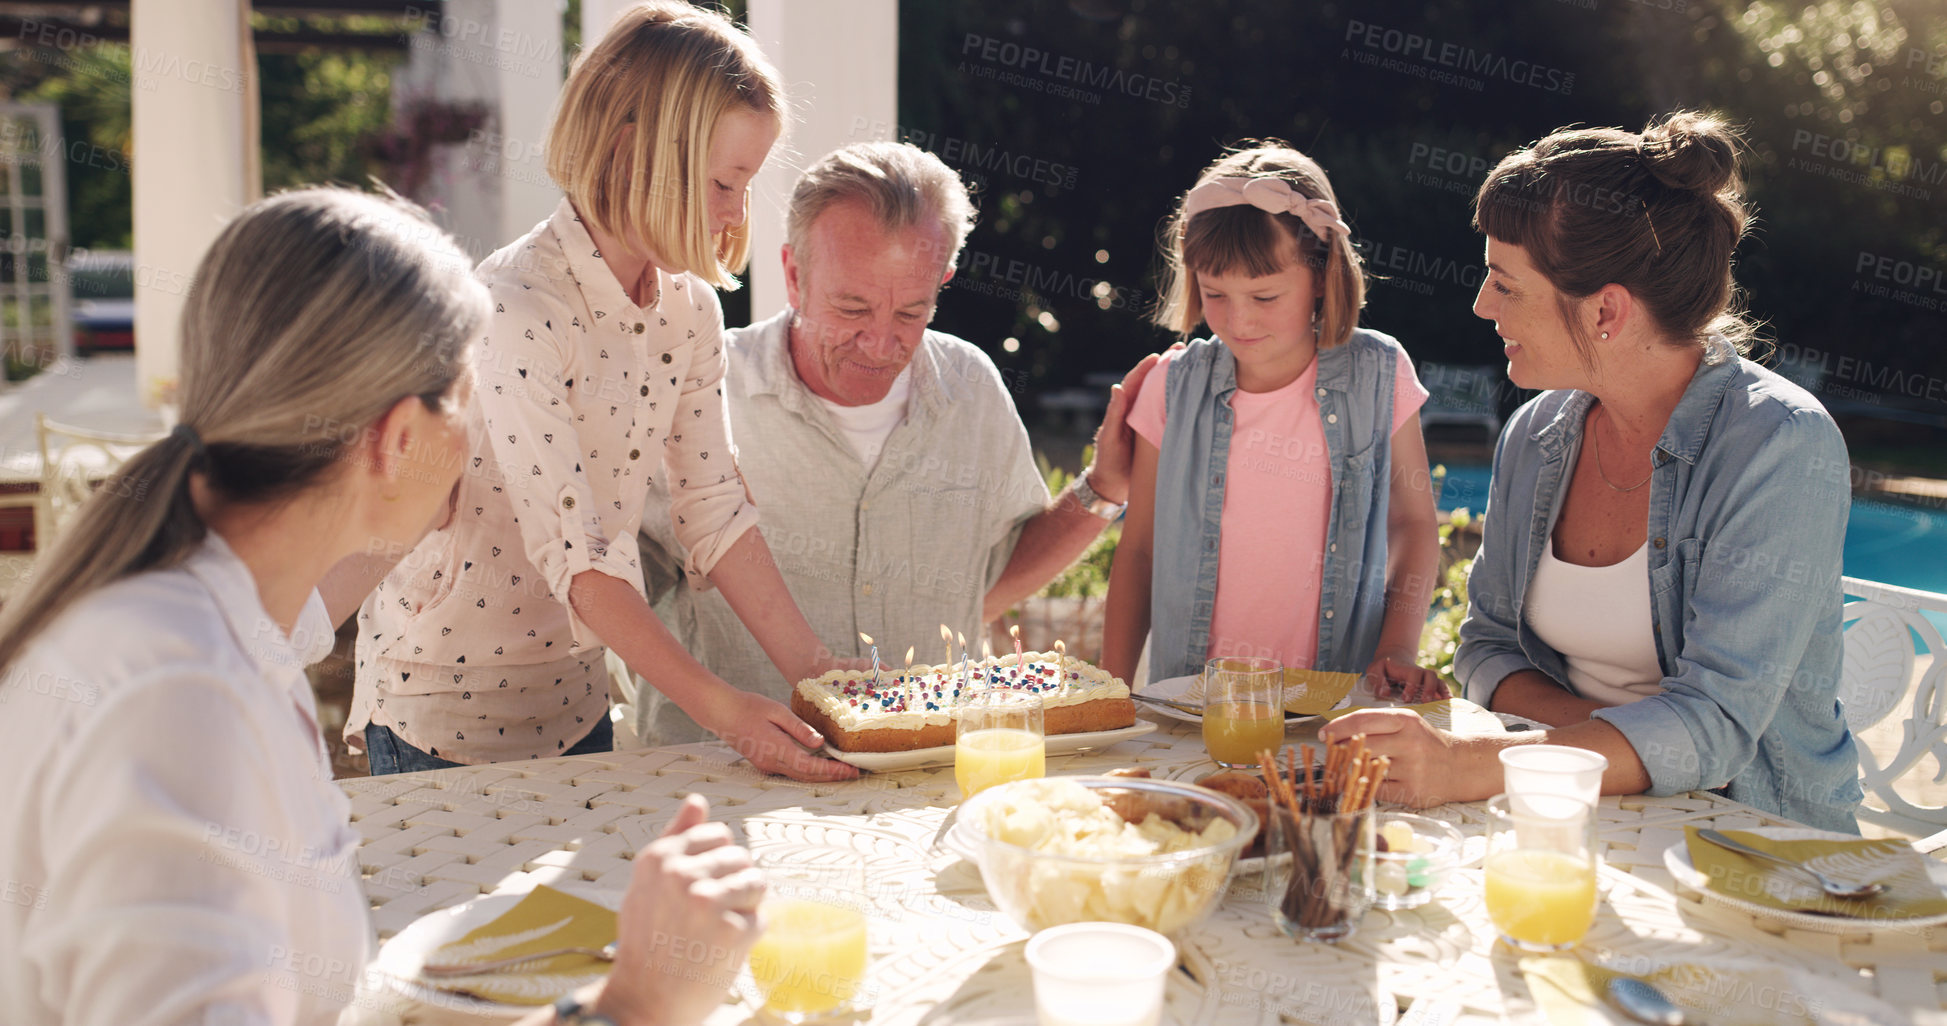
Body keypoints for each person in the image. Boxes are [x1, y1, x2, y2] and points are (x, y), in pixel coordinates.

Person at [0, 188, 765, 1026]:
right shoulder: (181, 700)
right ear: (401, 438)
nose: (480, 444)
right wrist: (630, 1005)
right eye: (467, 408)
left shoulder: (221, 619)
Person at [347, 1, 857, 780]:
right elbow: (579, 556)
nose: (734, 214)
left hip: (576, 702)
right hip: (439, 715)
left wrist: (826, 684)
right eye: (724, 183)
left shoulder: (689, 309)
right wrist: (725, 713)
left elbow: (713, 506)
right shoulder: (516, 307)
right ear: (633, 150)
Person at [1320, 112, 1863, 833]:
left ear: (1606, 310)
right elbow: (1485, 645)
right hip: (1571, 810)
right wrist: (1608, 739)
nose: (1481, 305)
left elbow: (1715, 729)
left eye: (1505, 286)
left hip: (1754, 846)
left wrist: (1468, 765)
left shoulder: (1781, 446)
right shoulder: (1538, 433)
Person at [635, 141, 1155, 744]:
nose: (881, 345)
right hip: (727, 785)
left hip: (928, 776)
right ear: (795, 276)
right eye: (852, 308)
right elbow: (616, 584)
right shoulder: (701, 390)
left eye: (911, 311)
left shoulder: (972, 387)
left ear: (943, 280)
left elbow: (988, 582)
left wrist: (1104, 487)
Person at [1100, 141, 1445, 701]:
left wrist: (1397, 650)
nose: (1238, 320)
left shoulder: (1380, 374)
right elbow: (1139, 550)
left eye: (1264, 296)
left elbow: (1414, 523)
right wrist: (1111, 691)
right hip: (1192, 709)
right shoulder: (1172, 386)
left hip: (1333, 707)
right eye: (1215, 293)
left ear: (1320, 274)